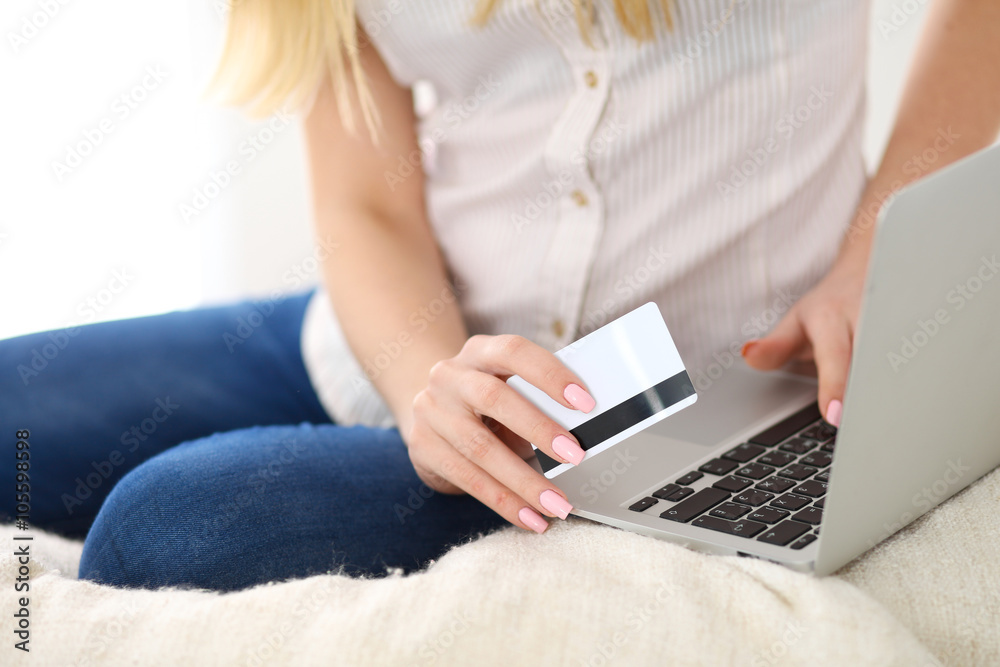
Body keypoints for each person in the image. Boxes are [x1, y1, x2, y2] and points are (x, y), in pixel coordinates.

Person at [3, 0, 998, 592]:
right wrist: (428, 388)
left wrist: (881, 242)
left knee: (161, 531)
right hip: (397, 344)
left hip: (680, 404)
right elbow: (366, 202)